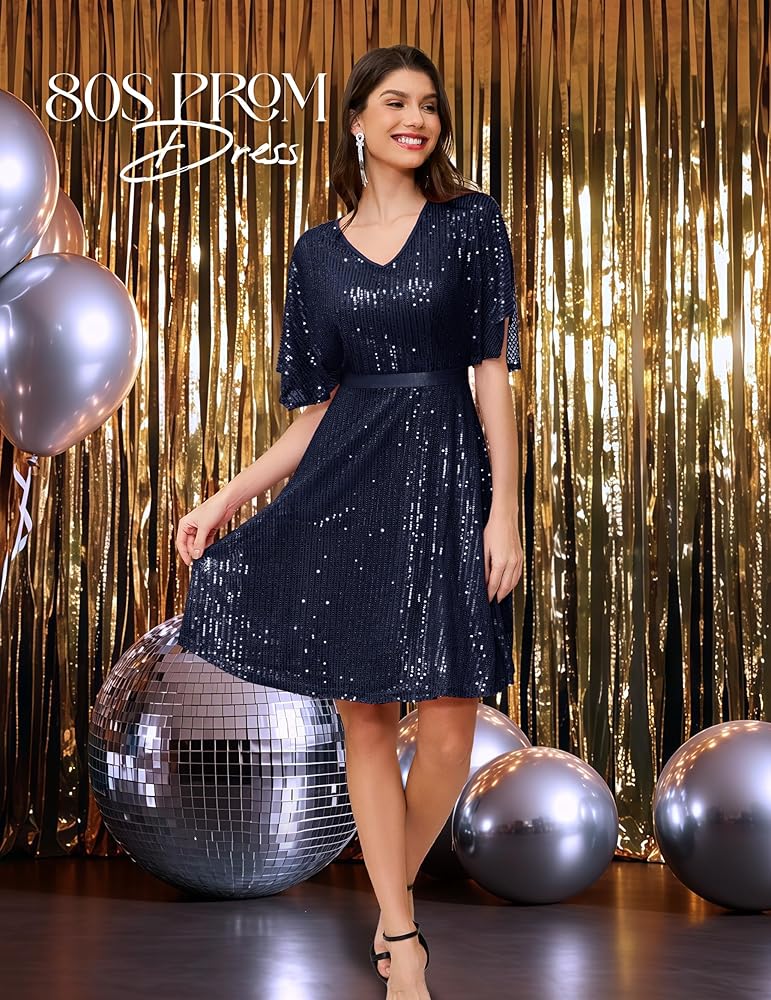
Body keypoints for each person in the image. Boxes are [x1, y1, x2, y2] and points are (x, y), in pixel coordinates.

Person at [176, 44, 523, 1000]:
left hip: (450, 486)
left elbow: (491, 377)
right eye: (395, 102)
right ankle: (401, 938)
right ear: (358, 121)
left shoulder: (469, 223)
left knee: (447, 725)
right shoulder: (315, 255)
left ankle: (384, 900)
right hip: (347, 490)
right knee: (364, 718)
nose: (416, 119)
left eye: (429, 105)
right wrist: (224, 499)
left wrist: (504, 509)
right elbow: (314, 415)